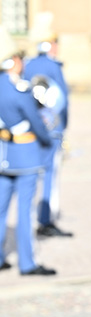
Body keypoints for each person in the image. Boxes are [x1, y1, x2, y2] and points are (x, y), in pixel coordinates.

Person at [0, 30, 57, 276]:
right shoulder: (20, 90)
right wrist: (46, 140)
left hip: (3, 154)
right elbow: (37, 123)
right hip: (25, 154)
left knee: (0, 209)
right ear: (12, 61)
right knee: (25, 211)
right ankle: (27, 262)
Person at [23, 13, 72, 238]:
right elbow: (61, 100)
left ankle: (30, 217)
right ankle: (46, 219)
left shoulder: (27, 64)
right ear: (49, 44)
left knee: (32, 174)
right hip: (52, 128)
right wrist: (64, 126)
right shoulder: (53, 66)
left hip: (31, 129)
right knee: (50, 175)